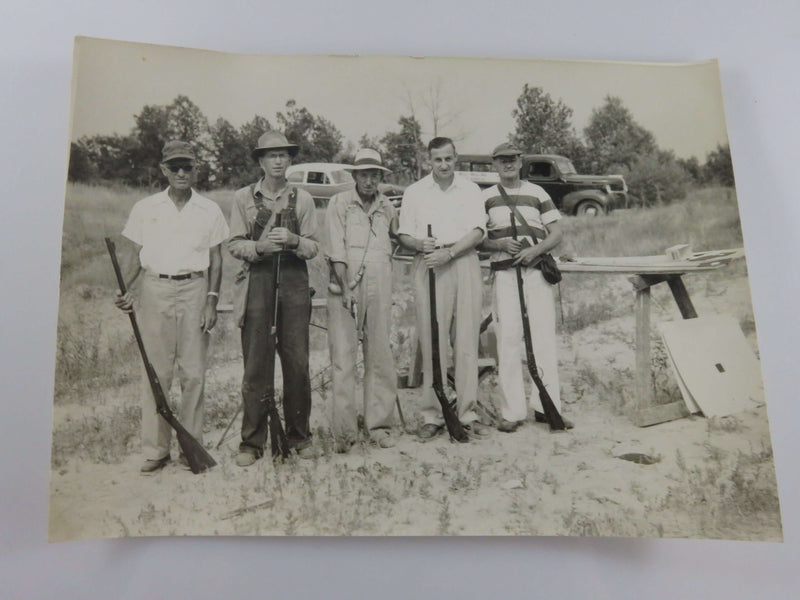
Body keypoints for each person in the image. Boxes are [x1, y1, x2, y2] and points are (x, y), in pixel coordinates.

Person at [114, 140, 229, 473]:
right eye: (174, 167)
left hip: (195, 290)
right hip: (155, 290)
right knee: (156, 372)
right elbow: (133, 254)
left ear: (196, 169)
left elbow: (217, 260)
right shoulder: (145, 207)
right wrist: (125, 290)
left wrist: (212, 300)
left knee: (193, 374)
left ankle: (191, 447)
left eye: (187, 167)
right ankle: (156, 449)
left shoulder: (210, 209)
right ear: (163, 169)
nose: (181, 173)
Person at [227, 131, 319, 465]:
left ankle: (299, 437)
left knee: (297, 362)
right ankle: (252, 443)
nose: (278, 161)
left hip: (294, 283)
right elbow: (235, 244)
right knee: (256, 364)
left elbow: (314, 247)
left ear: (289, 160)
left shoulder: (304, 199)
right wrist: (260, 247)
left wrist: (294, 240)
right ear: (261, 161)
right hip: (258, 281)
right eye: (271, 156)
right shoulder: (242, 198)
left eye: (283, 155)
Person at [397, 137, 491, 440]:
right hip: (429, 264)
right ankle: (432, 414)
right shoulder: (414, 192)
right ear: (428, 160)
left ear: (456, 158)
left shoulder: (471, 189)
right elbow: (404, 235)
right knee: (431, 340)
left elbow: (478, 231)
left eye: (449, 159)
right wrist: (418, 244)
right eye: (437, 160)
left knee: (465, 340)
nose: (443, 165)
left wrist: (450, 253)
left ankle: (467, 413)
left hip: (462, 260)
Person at [480, 142, 572, 432]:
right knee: (507, 340)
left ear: (520, 162)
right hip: (505, 276)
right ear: (494, 164)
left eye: (512, 160)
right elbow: (477, 239)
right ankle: (512, 412)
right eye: (501, 160)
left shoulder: (537, 193)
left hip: (535, 273)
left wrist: (534, 251)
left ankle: (547, 408)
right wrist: (498, 244)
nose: (507, 164)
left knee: (543, 339)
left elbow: (556, 232)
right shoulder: (486, 198)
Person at [324, 148, 399, 453]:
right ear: (354, 176)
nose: (369, 180)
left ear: (381, 177)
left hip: (380, 283)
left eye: (375, 175)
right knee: (343, 358)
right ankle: (344, 433)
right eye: (364, 174)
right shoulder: (339, 203)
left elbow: (395, 241)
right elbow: (335, 251)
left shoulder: (387, 207)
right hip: (346, 283)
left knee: (380, 354)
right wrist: (345, 289)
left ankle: (378, 425)